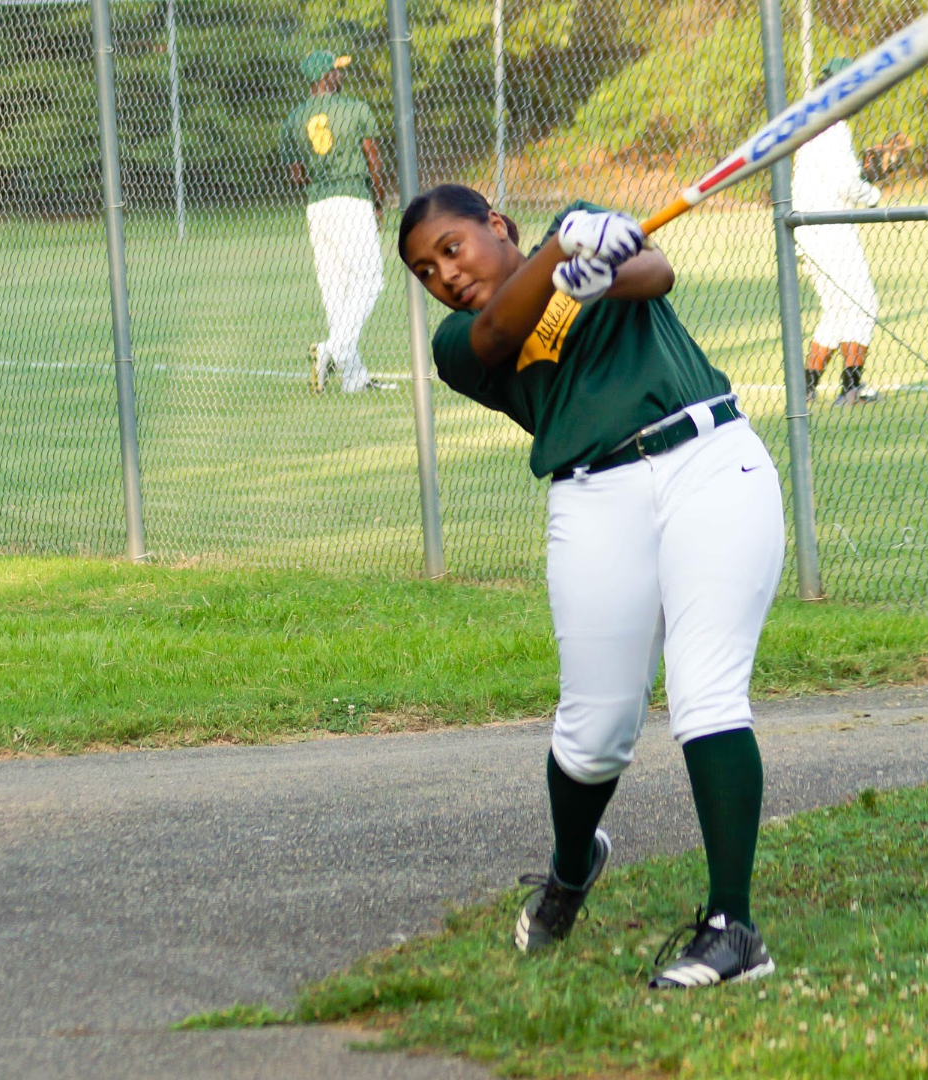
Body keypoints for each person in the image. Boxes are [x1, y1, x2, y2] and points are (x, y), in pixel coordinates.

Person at [396, 185, 786, 989]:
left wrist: (598, 266)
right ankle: (572, 873)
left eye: (452, 248)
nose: (443, 274)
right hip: (593, 495)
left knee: (706, 691)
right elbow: (503, 328)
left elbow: (659, 272)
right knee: (594, 732)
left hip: (710, 462)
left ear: (495, 225)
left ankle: (732, 928)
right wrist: (560, 254)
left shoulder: (579, 235)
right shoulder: (455, 342)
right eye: (426, 270)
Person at [281, 48, 391, 394]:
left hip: (317, 206)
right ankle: (332, 350)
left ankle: (353, 378)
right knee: (371, 281)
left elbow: (296, 176)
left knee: (336, 291)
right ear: (325, 77)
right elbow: (373, 160)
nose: (341, 75)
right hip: (351, 199)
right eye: (336, 71)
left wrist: (319, 169)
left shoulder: (294, 119)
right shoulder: (355, 108)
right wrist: (378, 199)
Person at [793, 57, 882, 407]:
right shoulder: (834, 125)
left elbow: (837, 177)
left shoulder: (814, 120)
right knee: (863, 305)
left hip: (809, 229)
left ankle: (806, 386)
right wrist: (872, 192)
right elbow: (845, 183)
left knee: (836, 310)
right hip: (829, 230)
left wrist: (863, 175)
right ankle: (850, 389)